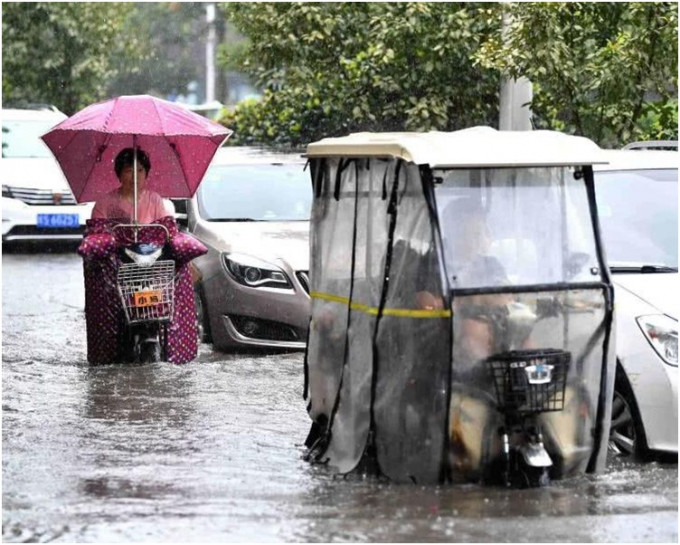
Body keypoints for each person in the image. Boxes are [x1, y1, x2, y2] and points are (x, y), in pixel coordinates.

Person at [91, 147, 174, 223]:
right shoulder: (104, 203)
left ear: (146, 174)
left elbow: (164, 232)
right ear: (119, 174)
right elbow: (97, 234)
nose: (135, 176)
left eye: (140, 170)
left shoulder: (154, 200)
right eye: (129, 170)